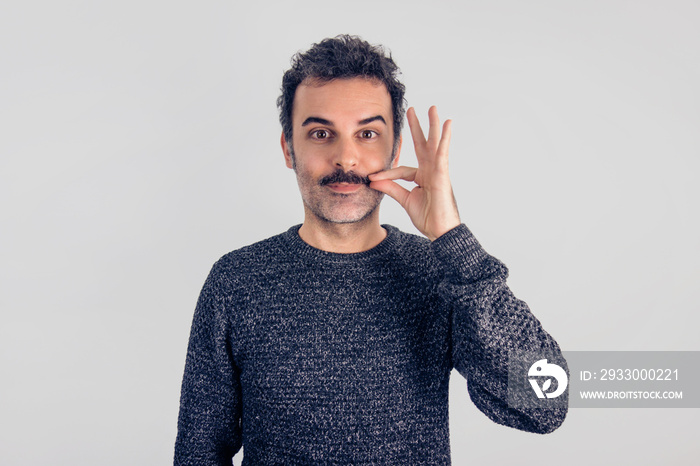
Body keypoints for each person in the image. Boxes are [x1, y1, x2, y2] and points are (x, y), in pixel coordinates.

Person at [174, 34, 568, 465]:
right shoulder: (237, 280)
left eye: (367, 133)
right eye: (321, 133)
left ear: (395, 149)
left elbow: (544, 404)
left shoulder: (440, 274)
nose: (346, 157)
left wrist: (454, 240)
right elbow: (199, 451)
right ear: (289, 148)